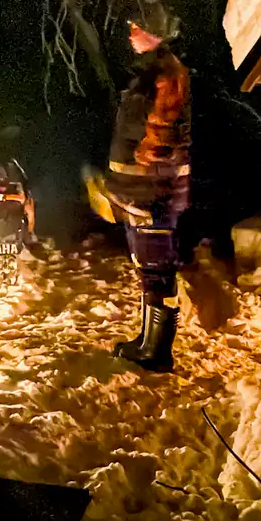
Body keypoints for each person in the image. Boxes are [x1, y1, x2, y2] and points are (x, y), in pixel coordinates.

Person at [105, 19, 191, 371]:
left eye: (138, 28)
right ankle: (145, 341)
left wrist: (149, 166)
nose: (130, 35)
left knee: (157, 270)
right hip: (138, 192)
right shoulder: (149, 75)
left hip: (152, 192)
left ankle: (157, 353)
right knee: (147, 270)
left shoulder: (169, 76)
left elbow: (164, 134)